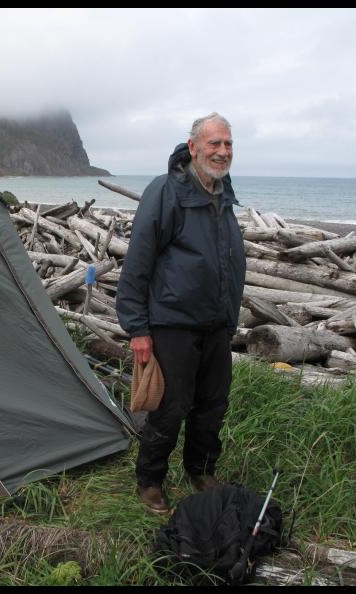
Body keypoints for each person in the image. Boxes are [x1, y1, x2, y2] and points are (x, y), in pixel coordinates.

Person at [116, 113, 246, 513]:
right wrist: (137, 328)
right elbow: (138, 261)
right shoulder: (167, 191)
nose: (222, 152)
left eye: (227, 144)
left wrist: (229, 317)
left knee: (212, 404)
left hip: (216, 323)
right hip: (173, 323)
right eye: (214, 144)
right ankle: (150, 480)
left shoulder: (222, 194)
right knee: (170, 406)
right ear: (193, 147)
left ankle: (201, 471)